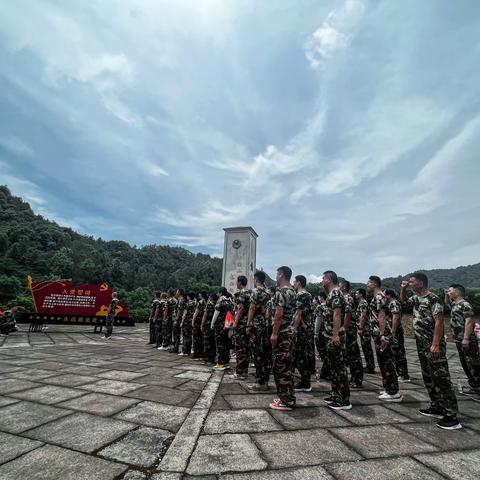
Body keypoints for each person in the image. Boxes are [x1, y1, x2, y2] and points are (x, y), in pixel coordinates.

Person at [401, 273, 461, 430]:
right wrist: (403, 290)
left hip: (433, 345)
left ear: (420, 283)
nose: (410, 283)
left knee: (441, 378)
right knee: (428, 376)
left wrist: (435, 344)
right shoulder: (416, 299)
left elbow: (439, 321)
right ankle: (436, 406)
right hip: (421, 344)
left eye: (412, 282)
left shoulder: (434, 298)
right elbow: (405, 302)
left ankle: (451, 416)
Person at [363, 276, 402, 402]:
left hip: (382, 335)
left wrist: (382, 334)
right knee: (383, 363)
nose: (367, 284)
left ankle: (393, 392)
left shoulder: (379, 297)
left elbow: (382, 316)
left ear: (374, 284)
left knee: (387, 363)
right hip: (378, 334)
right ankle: (388, 388)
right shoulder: (377, 297)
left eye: (368, 282)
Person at [322, 271, 352, 410]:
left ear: (329, 279)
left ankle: (343, 400)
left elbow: (337, 314)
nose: (322, 280)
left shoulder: (335, 293)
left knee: (339, 368)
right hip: (330, 335)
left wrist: (335, 335)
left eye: (323, 278)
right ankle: (335, 394)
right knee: (333, 368)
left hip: (335, 335)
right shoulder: (331, 293)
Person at [269, 266, 297, 411]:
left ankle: (287, 401)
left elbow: (278, 315)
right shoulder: (293, 291)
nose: (276, 277)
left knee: (281, 367)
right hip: (290, 332)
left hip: (282, 334)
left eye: (277, 275)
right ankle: (286, 396)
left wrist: (274, 333)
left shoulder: (282, 293)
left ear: (282, 275)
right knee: (287, 367)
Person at [445, 284, 479, 395]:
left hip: (467, 340)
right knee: (465, 363)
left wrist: (466, 338)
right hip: (459, 340)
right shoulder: (455, 304)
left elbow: (469, 322)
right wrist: (446, 295)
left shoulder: (465, 305)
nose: (448, 292)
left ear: (457, 292)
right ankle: (474, 386)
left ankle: (478, 387)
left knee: (473, 364)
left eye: (450, 291)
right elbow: (446, 303)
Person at [247, 270, 271, 391]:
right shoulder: (268, 293)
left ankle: (259, 382)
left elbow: (251, 308)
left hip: (256, 326)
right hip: (266, 326)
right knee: (265, 354)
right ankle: (265, 380)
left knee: (257, 354)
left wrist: (249, 324)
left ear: (256, 280)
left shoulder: (255, 291)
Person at [293, 275, 315, 392]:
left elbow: (298, 313)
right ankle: (305, 380)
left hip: (302, 329)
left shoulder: (300, 295)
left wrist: (294, 329)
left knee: (301, 355)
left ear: (299, 282)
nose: (294, 284)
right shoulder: (309, 294)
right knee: (306, 354)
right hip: (308, 328)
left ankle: (305, 382)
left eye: (295, 282)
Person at [340, 280, 363, 388]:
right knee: (350, 355)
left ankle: (357, 379)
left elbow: (347, 315)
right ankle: (354, 378)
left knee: (354, 355)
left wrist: (344, 329)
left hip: (350, 330)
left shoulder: (347, 298)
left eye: (340, 286)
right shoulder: (344, 298)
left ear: (344, 287)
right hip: (348, 330)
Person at [385, 289, 410, 382]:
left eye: (385, 295)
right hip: (394, 332)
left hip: (396, 332)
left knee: (399, 353)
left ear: (389, 295)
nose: (384, 297)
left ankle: (403, 375)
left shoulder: (394, 303)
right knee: (395, 353)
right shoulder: (391, 304)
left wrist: (393, 332)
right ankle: (399, 373)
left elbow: (395, 318)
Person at [211, 287, 234, 370]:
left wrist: (212, 323)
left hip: (220, 325)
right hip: (228, 325)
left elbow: (216, 313)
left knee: (220, 344)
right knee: (227, 344)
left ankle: (220, 363)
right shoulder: (230, 301)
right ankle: (226, 362)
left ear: (220, 293)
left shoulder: (220, 300)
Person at [233, 276, 251, 379]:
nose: (236, 283)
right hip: (247, 324)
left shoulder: (241, 293)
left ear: (240, 282)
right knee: (246, 348)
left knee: (240, 348)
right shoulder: (249, 293)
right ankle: (244, 371)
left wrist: (235, 323)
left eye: (237, 281)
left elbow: (240, 308)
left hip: (241, 324)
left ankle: (240, 372)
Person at [356, 288, 376, 373]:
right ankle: (369, 365)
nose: (355, 294)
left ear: (361, 294)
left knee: (367, 348)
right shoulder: (361, 303)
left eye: (357, 293)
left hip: (365, 329)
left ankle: (370, 366)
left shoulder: (363, 303)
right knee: (365, 347)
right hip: (364, 329)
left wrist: (361, 328)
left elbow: (363, 315)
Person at [314, 293, 330, 380]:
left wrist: (315, 333)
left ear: (321, 298)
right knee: (327, 353)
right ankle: (328, 371)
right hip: (328, 332)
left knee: (323, 354)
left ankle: (325, 372)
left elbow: (318, 321)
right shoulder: (329, 306)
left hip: (321, 333)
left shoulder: (320, 307)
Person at [202, 293, 218, 364]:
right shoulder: (217, 304)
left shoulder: (209, 304)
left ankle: (207, 359)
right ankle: (212, 358)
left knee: (207, 342)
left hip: (208, 325)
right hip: (215, 325)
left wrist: (202, 324)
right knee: (213, 342)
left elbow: (205, 315)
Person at [192, 291, 207, 360]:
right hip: (204, 322)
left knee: (196, 338)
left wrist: (193, 320)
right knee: (202, 338)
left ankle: (196, 354)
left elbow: (196, 312)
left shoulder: (200, 302)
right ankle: (202, 354)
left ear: (201, 295)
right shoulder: (208, 301)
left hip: (198, 321)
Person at [172, 289, 186, 354]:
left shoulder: (181, 300)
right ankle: (175, 347)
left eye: (177, 292)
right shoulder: (181, 300)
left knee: (176, 333)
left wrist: (176, 320)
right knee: (176, 334)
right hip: (180, 319)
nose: (176, 293)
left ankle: (176, 348)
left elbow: (180, 311)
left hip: (179, 319)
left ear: (179, 293)